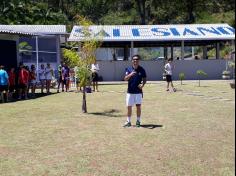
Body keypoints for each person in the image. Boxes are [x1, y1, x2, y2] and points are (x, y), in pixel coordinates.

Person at [123, 55, 147, 127]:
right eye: (134, 59)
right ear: (132, 60)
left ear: (138, 61)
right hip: (130, 92)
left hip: (138, 92)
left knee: (138, 107)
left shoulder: (142, 69)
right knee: (129, 107)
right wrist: (131, 74)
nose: (135, 61)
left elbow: (144, 79)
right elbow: (125, 78)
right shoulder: (128, 69)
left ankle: (138, 121)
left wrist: (142, 84)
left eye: (137, 59)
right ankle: (128, 121)